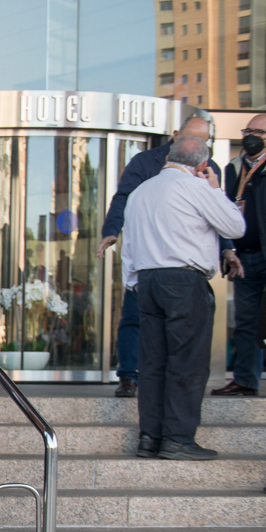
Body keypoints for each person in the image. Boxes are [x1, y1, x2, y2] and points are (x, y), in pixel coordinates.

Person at [124, 136, 245, 460]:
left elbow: (128, 246)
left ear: (168, 158)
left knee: (152, 364)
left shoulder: (140, 192)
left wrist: (133, 282)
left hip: (147, 281)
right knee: (187, 362)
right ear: (202, 165)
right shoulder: (196, 187)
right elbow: (235, 226)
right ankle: (178, 439)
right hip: (183, 280)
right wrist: (216, 189)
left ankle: (150, 438)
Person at [96, 116, 218, 398]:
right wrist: (112, 230)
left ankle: (170, 385)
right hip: (148, 257)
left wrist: (227, 250)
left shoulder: (209, 169)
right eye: (191, 137)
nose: (196, 144)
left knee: (182, 331)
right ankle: (129, 376)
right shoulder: (145, 162)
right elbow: (124, 197)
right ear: (175, 135)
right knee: (134, 316)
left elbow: (219, 215)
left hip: (185, 264)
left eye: (203, 140)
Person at [215, 115, 266, 397]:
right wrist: (227, 248)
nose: (251, 136)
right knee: (246, 323)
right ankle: (245, 381)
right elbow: (223, 210)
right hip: (243, 259)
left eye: (259, 132)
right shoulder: (234, 168)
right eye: (248, 130)